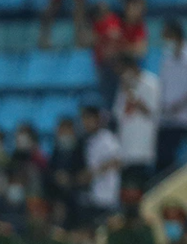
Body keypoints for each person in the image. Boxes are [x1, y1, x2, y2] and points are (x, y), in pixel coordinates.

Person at [113, 54, 160, 193]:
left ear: (131, 68)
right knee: (126, 188)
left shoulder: (151, 83)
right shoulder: (123, 86)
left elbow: (153, 113)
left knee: (140, 188)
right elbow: (118, 113)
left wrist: (133, 95)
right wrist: (125, 90)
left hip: (142, 146)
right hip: (125, 146)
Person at [80, 105, 121, 226]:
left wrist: (94, 172)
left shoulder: (107, 138)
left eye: (89, 119)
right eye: (84, 120)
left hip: (108, 197)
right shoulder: (89, 141)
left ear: (97, 119)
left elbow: (117, 161)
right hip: (94, 196)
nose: (86, 123)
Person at [158, 19, 187, 174]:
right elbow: (162, 87)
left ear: (176, 36)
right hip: (168, 120)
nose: (165, 41)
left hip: (184, 118)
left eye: (167, 36)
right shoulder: (166, 60)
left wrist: (180, 104)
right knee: (164, 162)